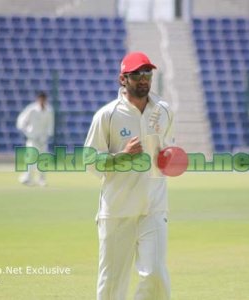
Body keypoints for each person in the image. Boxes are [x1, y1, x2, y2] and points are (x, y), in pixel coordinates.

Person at [84, 52, 175, 300]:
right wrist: (123, 155)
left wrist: (170, 159)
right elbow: (90, 162)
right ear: (122, 79)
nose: (144, 79)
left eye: (147, 73)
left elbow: (166, 151)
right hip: (117, 210)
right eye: (137, 75)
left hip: (154, 208)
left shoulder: (164, 111)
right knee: (112, 283)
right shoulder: (107, 115)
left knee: (156, 275)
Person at [16, 91, 54, 186]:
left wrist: (47, 136)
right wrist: (27, 132)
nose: (42, 101)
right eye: (41, 98)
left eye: (44, 99)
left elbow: (50, 125)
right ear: (38, 99)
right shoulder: (32, 109)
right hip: (32, 138)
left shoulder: (49, 110)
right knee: (31, 158)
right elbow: (21, 121)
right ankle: (27, 178)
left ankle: (41, 180)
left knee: (43, 159)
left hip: (43, 139)